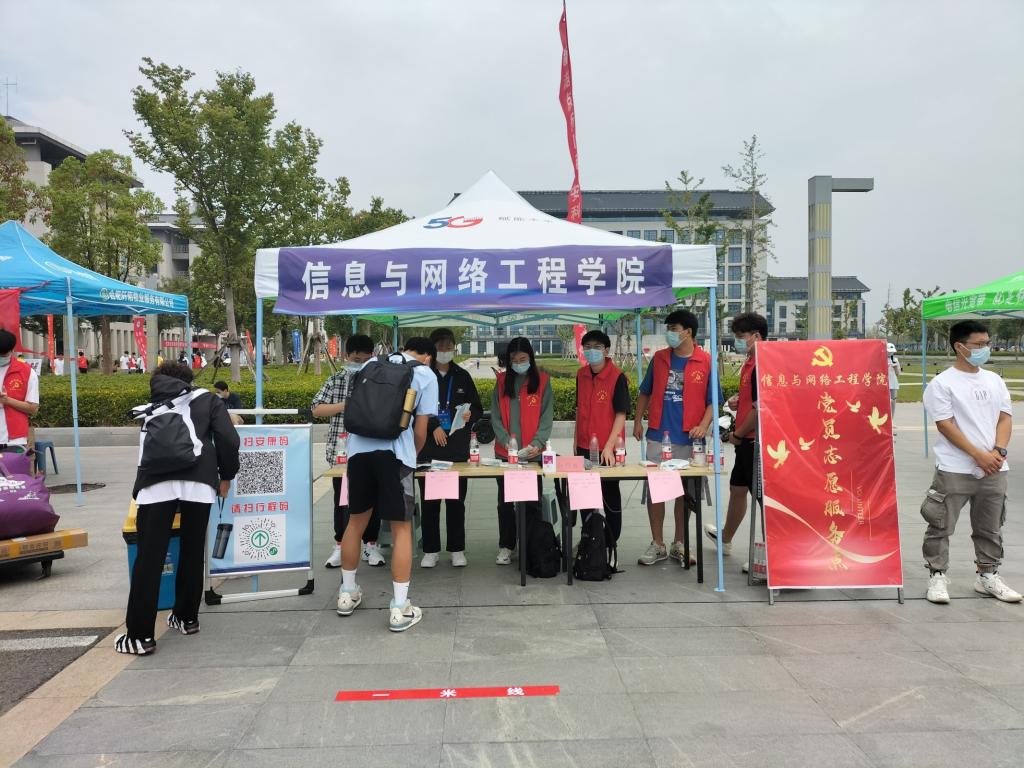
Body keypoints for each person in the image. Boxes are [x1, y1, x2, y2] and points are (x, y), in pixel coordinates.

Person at [115, 361, 239, 655]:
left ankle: (140, 637)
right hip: (199, 484)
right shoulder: (208, 399)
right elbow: (229, 439)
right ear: (189, 379)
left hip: (155, 485)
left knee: (149, 558)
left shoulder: (152, 404)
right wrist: (226, 475)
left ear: (158, 380)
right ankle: (186, 618)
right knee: (192, 551)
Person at [337, 337, 438, 632]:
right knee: (401, 528)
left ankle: (347, 593)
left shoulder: (371, 363)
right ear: (427, 356)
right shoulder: (424, 374)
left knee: (355, 523)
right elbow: (421, 429)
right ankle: (399, 608)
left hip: (358, 454)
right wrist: (412, 456)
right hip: (395, 457)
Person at [921, 320, 1019, 604]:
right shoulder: (942, 384)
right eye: (979, 344)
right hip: (955, 468)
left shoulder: (994, 380)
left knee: (991, 526)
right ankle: (937, 576)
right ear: (959, 346)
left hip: (995, 467)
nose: (986, 348)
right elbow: (945, 425)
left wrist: (998, 451)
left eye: (987, 343)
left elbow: (1005, 417)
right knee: (940, 524)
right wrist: (978, 455)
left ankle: (987, 575)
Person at [633, 310, 715, 566]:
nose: (669, 332)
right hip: (659, 434)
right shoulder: (659, 358)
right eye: (668, 328)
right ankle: (657, 543)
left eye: (673, 328)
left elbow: (713, 400)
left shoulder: (706, 361)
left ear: (688, 332)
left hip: (690, 438)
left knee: (684, 493)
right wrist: (637, 421)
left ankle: (679, 542)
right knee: (657, 491)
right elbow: (645, 392)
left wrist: (703, 425)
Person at [311, 335, 386, 569]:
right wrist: (347, 404)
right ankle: (340, 545)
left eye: (365, 360)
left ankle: (371, 545)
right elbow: (316, 409)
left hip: (371, 450)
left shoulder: (379, 381)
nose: (360, 364)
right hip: (341, 454)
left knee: (372, 501)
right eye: (356, 359)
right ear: (346, 356)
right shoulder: (336, 380)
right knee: (342, 502)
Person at [704, 312, 767, 571]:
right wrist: (737, 400)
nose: (738, 342)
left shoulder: (762, 364)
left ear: (756, 336)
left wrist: (738, 434)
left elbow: (760, 408)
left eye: (741, 337)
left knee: (763, 499)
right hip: (745, 442)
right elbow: (752, 399)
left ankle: (771, 554)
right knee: (738, 489)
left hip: (754, 442)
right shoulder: (750, 362)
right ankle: (725, 537)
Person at [417, 328, 483, 568]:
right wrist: (433, 425)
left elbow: (477, 408)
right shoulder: (423, 375)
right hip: (430, 448)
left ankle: (457, 549)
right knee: (430, 502)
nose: (445, 351)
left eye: (448, 346)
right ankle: (430, 550)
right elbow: (414, 407)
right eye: (440, 347)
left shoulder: (462, 375)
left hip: (456, 449)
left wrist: (469, 414)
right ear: (432, 349)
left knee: (456, 502)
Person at [491, 337, 553, 565]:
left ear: (531, 358)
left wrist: (537, 442)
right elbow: (495, 417)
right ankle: (507, 545)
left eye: (523, 359)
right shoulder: (501, 382)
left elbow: (546, 416)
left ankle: (531, 544)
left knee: (531, 501)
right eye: (514, 360)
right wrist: (506, 442)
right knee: (506, 502)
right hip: (505, 454)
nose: (518, 363)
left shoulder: (543, 382)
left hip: (533, 453)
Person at [574, 329, 630, 547]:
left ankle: (610, 542)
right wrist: (575, 441)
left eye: (597, 347)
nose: (592, 351)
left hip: (608, 449)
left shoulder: (617, 377)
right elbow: (579, 409)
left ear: (606, 350)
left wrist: (609, 446)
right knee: (585, 497)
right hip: (584, 445)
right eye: (587, 347)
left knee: (609, 495)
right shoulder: (581, 375)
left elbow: (621, 414)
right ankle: (588, 540)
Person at [0, 329, 40, 457]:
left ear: (12, 350)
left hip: (13, 441)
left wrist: (7, 401)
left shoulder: (26, 372)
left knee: (12, 470)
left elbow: (33, 408)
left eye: (3, 354)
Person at [887, 342, 901, 421]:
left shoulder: (895, 360)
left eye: (892, 351)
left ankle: (891, 421)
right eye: (889, 351)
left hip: (893, 384)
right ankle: (886, 421)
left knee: (893, 403)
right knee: (886, 403)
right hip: (885, 384)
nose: (890, 353)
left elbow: (898, 374)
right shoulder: (881, 359)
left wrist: (895, 367)